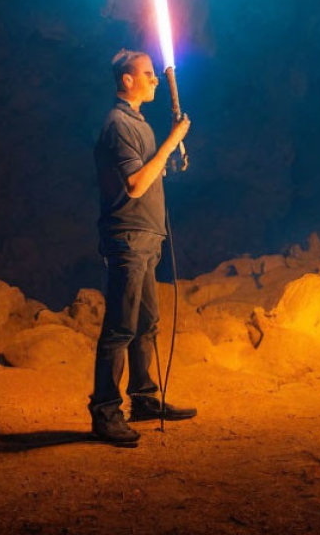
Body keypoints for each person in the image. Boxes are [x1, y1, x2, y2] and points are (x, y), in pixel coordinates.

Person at [89, 48, 195, 446]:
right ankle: (105, 412)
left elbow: (157, 172)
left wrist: (174, 153)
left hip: (148, 237)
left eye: (155, 74)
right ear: (127, 80)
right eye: (148, 74)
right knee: (119, 327)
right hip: (128, 237)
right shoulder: (117, 125)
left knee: (146, 323)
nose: (155, 79)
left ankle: (144, 398)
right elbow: (135, 185)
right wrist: (171, 142)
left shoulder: (140, 125)